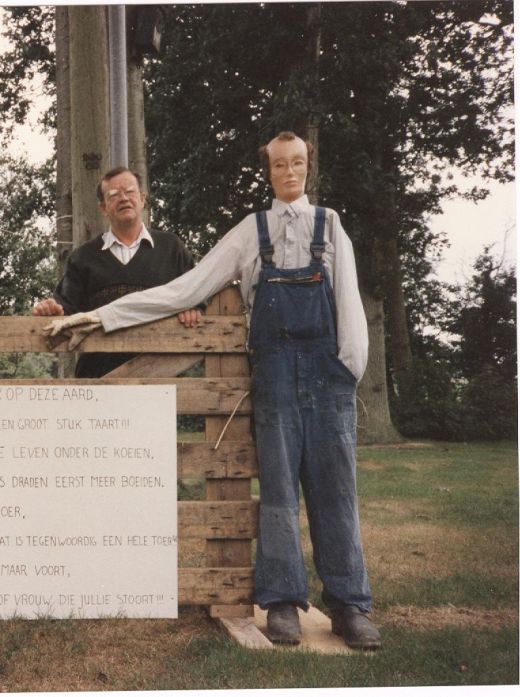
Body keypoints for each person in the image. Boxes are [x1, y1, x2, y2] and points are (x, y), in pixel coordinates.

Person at [45, 132, 381, 650]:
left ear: (308, 166)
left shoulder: (330, 225)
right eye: (278, 165)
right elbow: (186, 288)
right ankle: (283, 604)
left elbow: (350, 307)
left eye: (297, 163)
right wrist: (101, 316)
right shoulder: (251, 232)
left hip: (328, 378)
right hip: (272, 377)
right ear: (266, 171)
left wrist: (348, 370)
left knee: (336, 491)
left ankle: (350, 605)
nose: (289, 173)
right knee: (275, 493)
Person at [32, 166, 202, 377]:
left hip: (160, 379)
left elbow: (198, 290)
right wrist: (52, 310)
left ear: (142, 199)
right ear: (103, 207)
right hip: (98, 378)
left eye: (130, 192)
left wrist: (194, 307)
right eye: (114, 195)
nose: (124, 198)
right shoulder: (83, 257)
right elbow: (65, 308)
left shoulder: (171, 248)